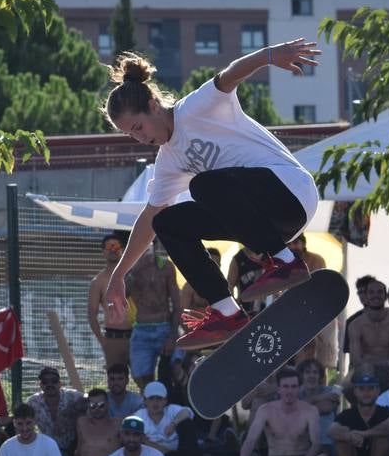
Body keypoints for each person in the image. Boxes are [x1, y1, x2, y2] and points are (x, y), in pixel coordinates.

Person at [101, 42, 322, 351]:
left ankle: (285, 261)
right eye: (131, 135)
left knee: (202, 186)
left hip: (291, 193)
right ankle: (227, 311)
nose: (140, 138)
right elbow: (149, 218)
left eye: (139, 127)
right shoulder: (168, 161)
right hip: (264, 221)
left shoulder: (196, 107)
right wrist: (119, 275)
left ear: (153, 105)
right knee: (167, 223)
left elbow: (230, 74)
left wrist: (270, 56)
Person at [231, 367, 329, 456]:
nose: (289, 391)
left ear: (299, 388)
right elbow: (250, 440)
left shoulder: (310, 411)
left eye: (293, 387)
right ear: (278, 388)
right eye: (285, 387)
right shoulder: (265, 410)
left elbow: (316, 443)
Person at [125, 239, 180, 390]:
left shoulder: (166, 267)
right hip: (142, 329)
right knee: (142, 378)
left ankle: (175, 405)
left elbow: (177, 304)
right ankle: (151, 409)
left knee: (176, 369)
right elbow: (122, 295)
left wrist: (173, 335)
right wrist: (135, 270)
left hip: (164, 326)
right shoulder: (130, 269)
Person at [134, 381, 202, 456]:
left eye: (159, 399)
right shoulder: (140, 415)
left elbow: (187, 412)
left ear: (165, 401)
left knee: (186, 424)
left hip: (180, 454)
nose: (155, 403)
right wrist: (151, 444)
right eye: (151, 399)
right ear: (145, 401)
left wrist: (174, 423)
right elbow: (130, 434)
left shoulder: (171, 410)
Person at [347, 277, 389, 389]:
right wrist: (371, 365)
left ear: (386, 296)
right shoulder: (355, 325)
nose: (376, 295)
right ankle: (368, 403)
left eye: (380, 292)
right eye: (371, 292)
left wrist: (373, 362)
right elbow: (356, 360)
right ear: (365, 297)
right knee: (363, 371)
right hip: (363, 370)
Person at [88, 232, 134, 370]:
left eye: (116, 247)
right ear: (103, 252)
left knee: (143, 378)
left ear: (122, 250)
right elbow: (91, 315)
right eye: (109, 247)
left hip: (137, 336)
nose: (113, 250)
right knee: (116, 379)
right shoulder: (98, 281)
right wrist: (103, 342)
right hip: (113, 338)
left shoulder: (134, 275)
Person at [26, 366, 84, 456]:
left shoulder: (72, 396)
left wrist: (67, 412)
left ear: (60, 383)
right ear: (40, 385)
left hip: (73, 446)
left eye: (54, 381)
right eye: (45, 382)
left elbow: (89, 400)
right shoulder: (33, 402)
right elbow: (21, 418)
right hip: (47, 448)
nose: (50, 384)